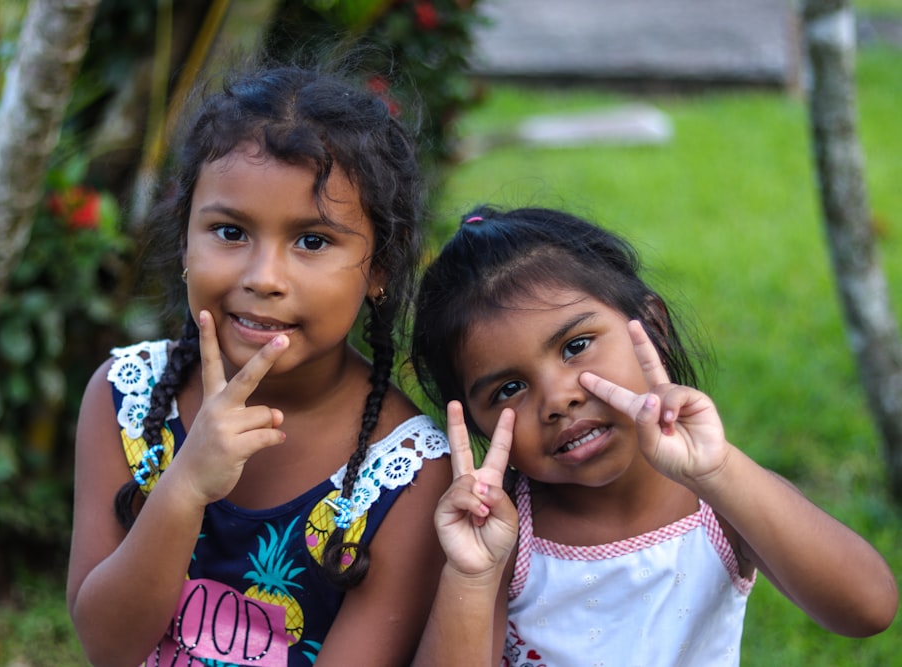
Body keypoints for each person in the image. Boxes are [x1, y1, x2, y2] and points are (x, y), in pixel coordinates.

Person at [66, 64, 453, 667]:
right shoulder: (128, 399)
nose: (263, 278)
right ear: (186, 238)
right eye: (229, 231)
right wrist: (185, 486)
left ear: (379, 266)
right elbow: (107, 647)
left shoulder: (408, 471)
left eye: (312, 241)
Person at [409, 205, 898, 666]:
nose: (558, 400)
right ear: (476, 421)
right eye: (509, 389)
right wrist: (472, 576)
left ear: (653, 326)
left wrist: (720, 470)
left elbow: (867, 609)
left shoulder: (721, 501)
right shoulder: (504, 536)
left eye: (576, 346)